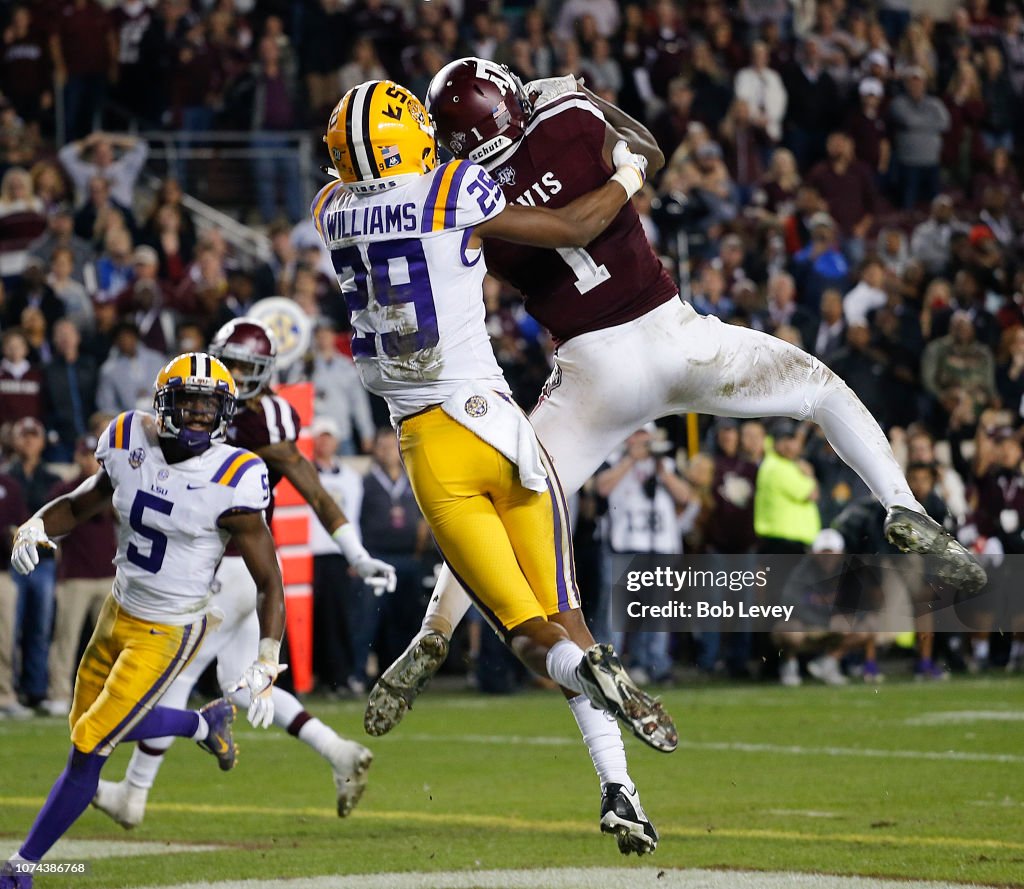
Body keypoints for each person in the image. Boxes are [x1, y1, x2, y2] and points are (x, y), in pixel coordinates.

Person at [368, 58, 985, 748]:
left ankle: (433, 632)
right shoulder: (570, 121)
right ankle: (906, 506)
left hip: (590, 372)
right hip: (674, 338)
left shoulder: (462, 195)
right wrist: (590, 100)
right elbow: (649, 153)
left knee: (495, 513)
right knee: (819, 387)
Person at [312, 76, 674, 856]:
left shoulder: (330, 212)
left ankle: (586, 676)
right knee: (568, 615)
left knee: (528, 634)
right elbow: (578, 220)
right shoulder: (451, 187)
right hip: (505, 432)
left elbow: (363, 176)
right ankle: (622, 790)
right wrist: (630, 171)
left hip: (431, 450)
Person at [93, 319, 394, 829]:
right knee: (239, 684)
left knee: (176, 679)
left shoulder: (263, 418)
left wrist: (355, 550)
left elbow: (313, 488)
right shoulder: (199, 398)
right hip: (232, 572)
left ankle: (134, 794)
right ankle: (338, 751)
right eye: (226, 363)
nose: (229, 374)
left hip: (223, 569)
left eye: (242, 368)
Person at [0, 353, 286, 888]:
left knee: (89, 746)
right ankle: (204, 723)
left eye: (211, 407)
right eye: (191, 404)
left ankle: (22, 868)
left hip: (171, 628)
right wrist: (38, 524)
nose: (201, 417)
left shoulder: (235, 476)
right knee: (89, 724)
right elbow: (88, 500)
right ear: (164, 404)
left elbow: (271, 579)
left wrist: (267, 656)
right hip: (118, 607)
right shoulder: (128, 437)